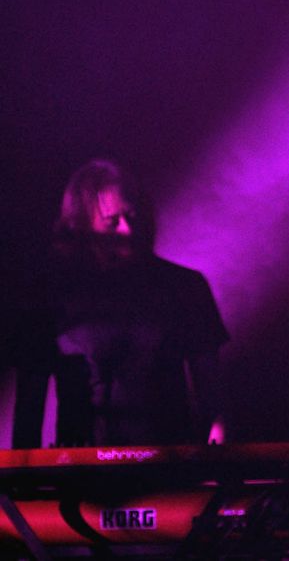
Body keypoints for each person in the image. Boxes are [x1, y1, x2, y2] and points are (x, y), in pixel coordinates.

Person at [10, 159, 228, 448]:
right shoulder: (48, 294)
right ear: (81, 225)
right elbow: (29, 407)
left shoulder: (184, 288)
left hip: (170, 474)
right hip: (81, 479)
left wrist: (218, 456)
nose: (127, 230)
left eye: (132, 217)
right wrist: (26, 483)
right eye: (113, 222)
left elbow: (212, 397)